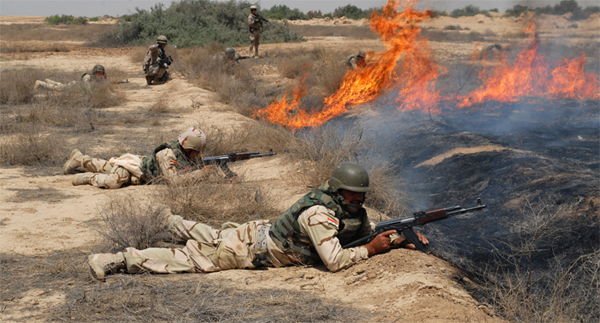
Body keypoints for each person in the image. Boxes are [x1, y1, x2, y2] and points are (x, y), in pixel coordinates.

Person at [87, 162, 429, 280]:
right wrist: (371, 250)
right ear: (339, 191)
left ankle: (170, 220)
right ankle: (118, 259)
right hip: (251, 251)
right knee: (193, 259)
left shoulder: (349, 210)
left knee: (215, 234)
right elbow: (337, 261)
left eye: (362, 195)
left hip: (258, 233)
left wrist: (398, 240)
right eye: (354, 195)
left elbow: (365, 232)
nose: (360, 200)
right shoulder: (320, 214)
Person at [63, 127, 219, 189]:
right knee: (113, 182)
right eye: (196, 152)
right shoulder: (167, 154)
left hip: (141, 175)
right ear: (189, 147)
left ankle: (80, 159)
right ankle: (88, 177)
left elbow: (195, 170)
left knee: (110, 167)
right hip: (137, 168)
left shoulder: (188, 155)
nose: (198, 156)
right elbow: (175, 181)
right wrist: (201, 173)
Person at [34, 64, 107, 91]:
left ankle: (51, 82)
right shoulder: (88, 76)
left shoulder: (96, 77)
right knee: (58, 89)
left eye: (101, 73)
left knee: (62, 86)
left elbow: (103, 84)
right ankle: (41, 83)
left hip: (75, 86)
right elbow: (86, 87)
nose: (99, 74)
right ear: (94, 72)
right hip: (74, 86)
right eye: (98, 72)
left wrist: (105, 77)